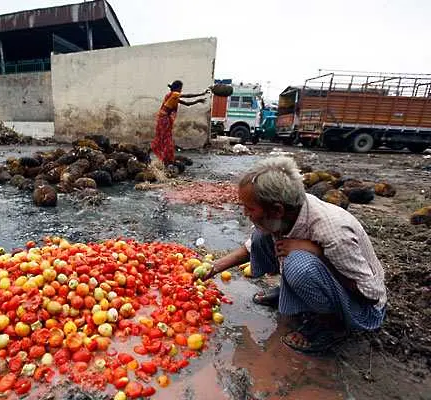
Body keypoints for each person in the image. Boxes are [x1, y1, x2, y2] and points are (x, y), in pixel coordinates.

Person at [204, 156, 387, 353]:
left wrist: (317, 252)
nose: (244, 213)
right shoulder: (291, 208)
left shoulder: (333, 232)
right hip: (328, 276)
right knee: (261, 235)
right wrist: (213, 267)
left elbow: (370, 295)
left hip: (362, 309)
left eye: (249, 208)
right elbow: (251, 246)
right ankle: (290, 292)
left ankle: (329, 326)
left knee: (299, 265)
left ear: (277, 210)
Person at [151, 80, 209, 166]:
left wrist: (198, 101)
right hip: (164, 120)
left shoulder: (171, 96)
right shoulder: (174, 94)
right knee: (166, 139)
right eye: (181, 88)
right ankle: (165, 157)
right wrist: (202, 94)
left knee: (164, 138)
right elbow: (188, 96)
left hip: (162, 119)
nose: (181, 90)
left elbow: (187, 104)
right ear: (177, 88)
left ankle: (165, 158)